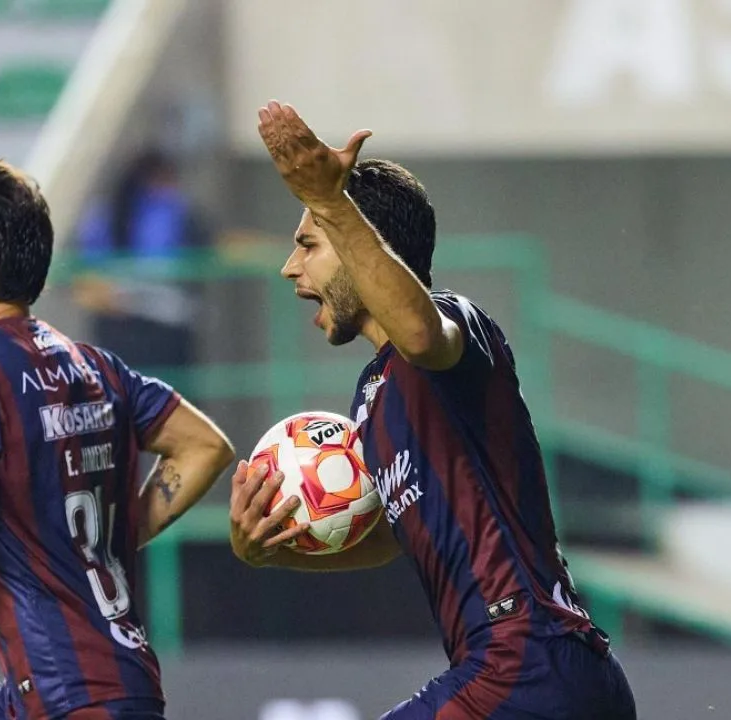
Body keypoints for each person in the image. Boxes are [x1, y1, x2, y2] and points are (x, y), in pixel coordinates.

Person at [229, 102, 637, 720]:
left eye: (308, 244)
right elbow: (397, 536)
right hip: (545, 673)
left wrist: (333, 203)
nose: (291, 268)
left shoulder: (454, 326)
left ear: (363, 242)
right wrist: (270, 550)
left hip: (524, 664)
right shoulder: (375, 392)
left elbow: (420, 333)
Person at [0, 159, 235, 720]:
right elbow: (205, 446)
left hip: (69, 695)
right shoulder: (96, 366)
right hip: (108, 682)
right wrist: (110, 542)